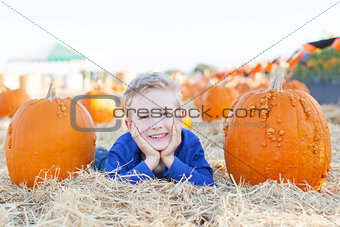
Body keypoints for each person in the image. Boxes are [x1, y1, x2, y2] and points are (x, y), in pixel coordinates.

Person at [94, 72, 214, 186]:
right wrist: (150, 161)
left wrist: (169, 159)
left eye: (166, 114)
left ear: (179, 117)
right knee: (99, 158)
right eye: (144, 116)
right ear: (130, 125)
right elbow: (111, 185)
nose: (157, 125)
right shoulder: (123, 147)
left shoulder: (190, 142)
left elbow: (207, 182)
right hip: (106, 160)